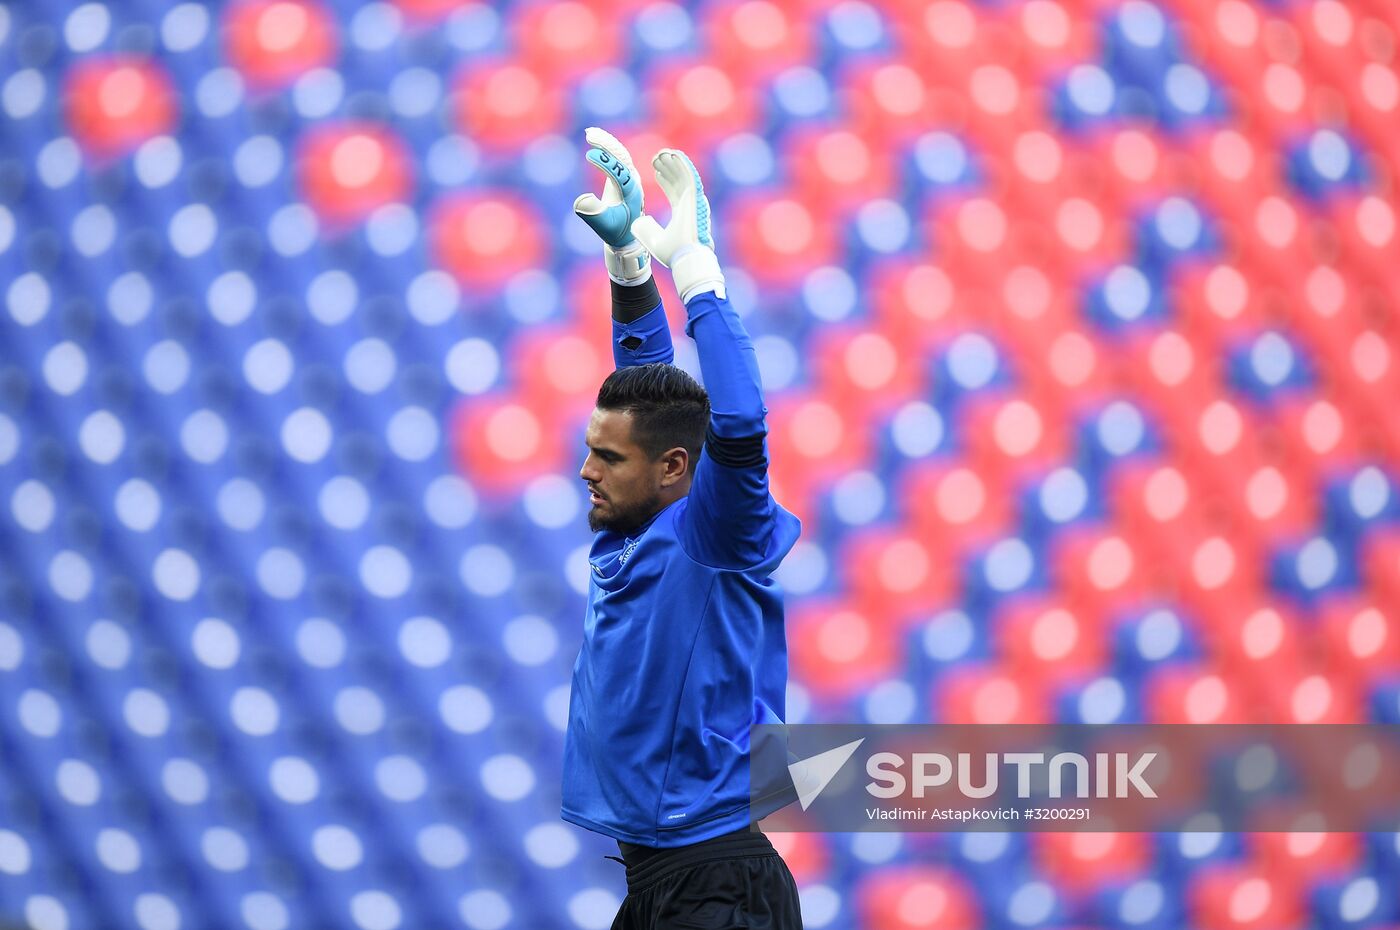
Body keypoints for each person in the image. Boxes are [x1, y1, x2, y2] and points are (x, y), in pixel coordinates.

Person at [561, 128, 805, 929]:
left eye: (606, 459)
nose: (586, 471)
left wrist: (697, 275)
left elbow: (737, 422)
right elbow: (653, 404)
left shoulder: (716, 535)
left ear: (673, 469)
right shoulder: (639, 522)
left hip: (717, 889)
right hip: (658, 887)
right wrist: (629, 266)